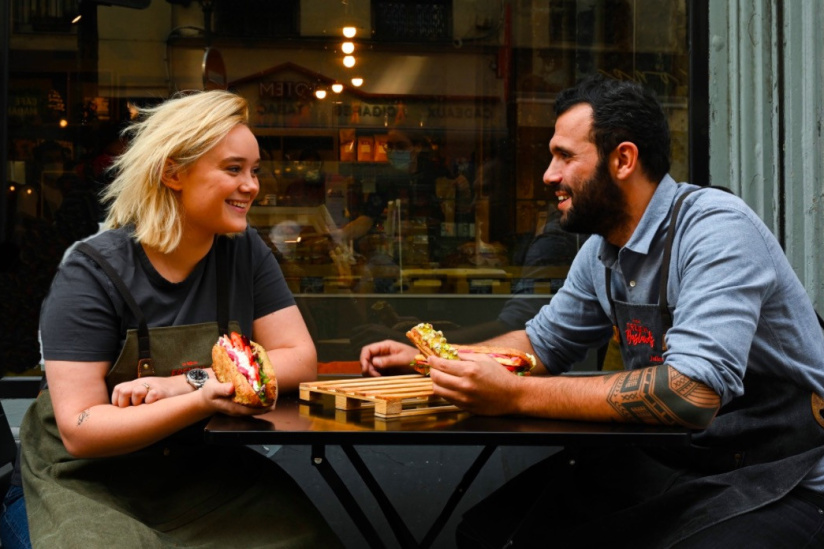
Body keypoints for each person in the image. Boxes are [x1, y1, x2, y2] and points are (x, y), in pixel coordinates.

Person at [360, 75, 824, 548]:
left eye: (564, 156)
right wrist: (434, 362)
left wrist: (514, 397)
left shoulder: (715, 229)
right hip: (682, 461)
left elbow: (690, 393)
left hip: (789, 478)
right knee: (490, 534)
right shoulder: (603, 249)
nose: (548, 174)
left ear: (623, 159)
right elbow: (541, 346)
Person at [11, 90, 342, 548]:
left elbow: (300, 359)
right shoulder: (92, 271)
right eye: (233, 169)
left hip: (200, 470)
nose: (252, 185)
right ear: (173, 172)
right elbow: (82, 430)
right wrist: (201, 399)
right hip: (88, 481)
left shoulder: (244, 252)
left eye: (254, 171)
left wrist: (187, 383)